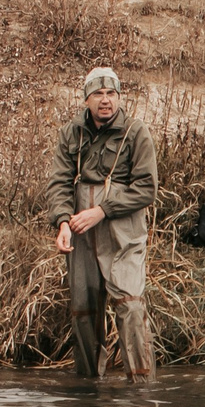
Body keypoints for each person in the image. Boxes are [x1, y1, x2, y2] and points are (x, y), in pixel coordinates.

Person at [44, 67, 157, 381]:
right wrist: (63, 222)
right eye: (98, 94)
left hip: (124, 233)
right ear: (86, 99)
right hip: (81, 231)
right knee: (83, 309)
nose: (105, 101)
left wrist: (102, 210)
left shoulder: (136, 131)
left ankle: (142, 390)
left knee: (131, 306)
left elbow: (147, 188)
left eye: (111, 94)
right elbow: (59, 183)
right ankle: (89, 390)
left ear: (119, 97)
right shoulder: (71, 133)